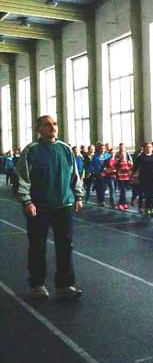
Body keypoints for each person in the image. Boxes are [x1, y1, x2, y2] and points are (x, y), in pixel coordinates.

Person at [14, 115, 84, 299]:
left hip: (64, 205)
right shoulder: (31, 151)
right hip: (39, 207)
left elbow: (75, 175)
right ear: (39, 129)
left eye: (54, 124)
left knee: (65, 246)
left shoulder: (65, 149)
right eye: (47, 125)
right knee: (38, 247)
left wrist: (78, 196)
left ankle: (65, 285)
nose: (52, 127)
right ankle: (37, 285)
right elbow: (22, 178)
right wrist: (27, 202)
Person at [134, 142, 153, 217]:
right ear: (144, 148)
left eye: (150, 147)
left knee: (151, 195)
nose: (149, 148)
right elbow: (135, 167)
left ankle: (151, 208)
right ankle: (147, 208)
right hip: (144, 178)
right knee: (146, 194)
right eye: (147, 147)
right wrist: (134, 177)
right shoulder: (140, 157)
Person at [114, 146, 132, 210]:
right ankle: (120, 204)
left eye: (124, 155)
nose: (123, 156)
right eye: (122, 155)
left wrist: (130, 176)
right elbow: (115, 169)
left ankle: (124, 203)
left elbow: (130, 169)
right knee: (123, 191)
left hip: (126, 178)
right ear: (120, 156)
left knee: (124, 191)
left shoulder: (128, 162)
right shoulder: (118, 162)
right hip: (120, 178)